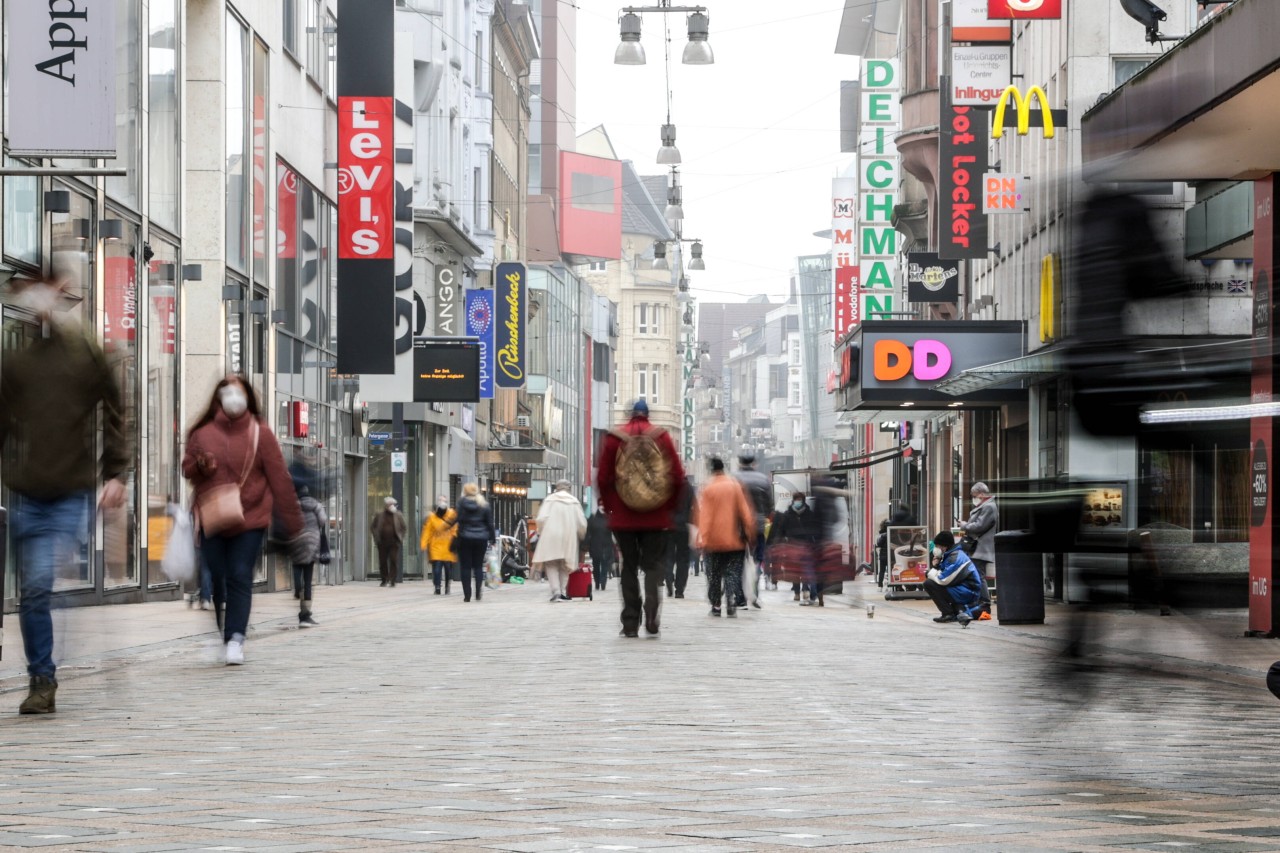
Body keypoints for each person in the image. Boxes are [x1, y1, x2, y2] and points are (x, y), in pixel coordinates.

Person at [0, 276, 129, 713]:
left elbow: (114, 409)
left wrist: (115, 473)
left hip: (72, 490)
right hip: (27, 492)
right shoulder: (17, 361)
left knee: (37, 582)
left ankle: (42, 679)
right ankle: (43, 675)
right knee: (33, 591)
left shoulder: (85, 353)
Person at [183, 374, 303, 666]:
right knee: (218, 574)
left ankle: (235, 638)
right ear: (219, 397)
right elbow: (187, 469)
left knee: (239, 574)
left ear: (248, 397)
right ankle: (225, 626)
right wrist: (201, 465)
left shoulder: (261, 433)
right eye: (228, 393)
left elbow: (279, 479)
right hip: (212, 516)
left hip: (250, 519)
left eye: (239, 393)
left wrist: (293, 522)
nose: (234, 398)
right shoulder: (202, 432)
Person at [596, 399, 685, 638]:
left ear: (629, 414)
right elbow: (677, 476)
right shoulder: (661, 436)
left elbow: (603, 478)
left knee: (628, 567)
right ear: (648, 414)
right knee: (654, 565)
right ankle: (652, 609)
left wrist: (609, 505)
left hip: (623, 517)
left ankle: (630, 621)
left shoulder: (615, 438)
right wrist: (670, 506)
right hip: (656, 517)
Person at [693, 457, 756, 618]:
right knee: (732, 573)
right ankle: (731, 600)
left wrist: (703, 539)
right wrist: (749, 532)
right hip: (735, 541)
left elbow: (705, 516)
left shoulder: (708, 488)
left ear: (711, 470)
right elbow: (745, 512)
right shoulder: (735, 485)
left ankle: (715, 605)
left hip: (713, 542)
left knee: (713, 575)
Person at [533, 479, 589, 601]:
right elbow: (581, 523)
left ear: (557, 488)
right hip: (568, 536)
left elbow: (541, 519)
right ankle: (563, 591)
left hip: (551, 535)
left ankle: (556, 592)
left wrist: (541, 531)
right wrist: (581, 534)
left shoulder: (549, 500)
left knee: (551, 563)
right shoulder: (574, 502)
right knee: (565, 564)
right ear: (569, 488)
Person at [768, 491, 824, 606]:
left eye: (799, 500)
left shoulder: (809, 514)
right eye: (796, 499)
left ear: (803, 501)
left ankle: (806, 591)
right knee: (795, 571)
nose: (798, 502)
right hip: (792, 546)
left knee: (806, 570)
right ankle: (797, 592)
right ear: (793, 501)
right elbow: (782, 530)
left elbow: (814, 529)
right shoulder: (787, 514)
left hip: (806, 545)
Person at [925, 531, 987, 627]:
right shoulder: (950, 555)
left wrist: (930, 572)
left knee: (929, 584)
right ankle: (950, 612)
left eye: (938, 546)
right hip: (961, 588)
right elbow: (944, 573)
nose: (936, 549)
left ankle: (948, 613)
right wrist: (937, 566)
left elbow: (944, 579)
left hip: (969, 592)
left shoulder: (956, 557)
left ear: (945, 546)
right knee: (931, 583)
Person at [735, 452, 772, 609]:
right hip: (757, 526)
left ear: (739, 462)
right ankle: (755, 593)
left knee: (737, 562)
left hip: (738, 527)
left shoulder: (734, 478)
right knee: (757, 560)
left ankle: (740, 598)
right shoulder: (763, 479)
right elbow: (770, 505)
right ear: (753, 463)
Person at [291, 483, 328, 627]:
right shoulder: (315, 505)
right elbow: (323, 520)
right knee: (308, 577)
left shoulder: (292, 505)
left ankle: (297, 588)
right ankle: (305, 613)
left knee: (296, 566)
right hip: (312, 542)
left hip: (296, 540)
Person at [454, 482, 495, 602]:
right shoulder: (484, 504)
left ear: (465, 492)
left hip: (465, 538)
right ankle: (478, 593)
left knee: (465, 567)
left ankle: (467, 595)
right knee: (478, 566)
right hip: (481, 539)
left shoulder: (461, 504)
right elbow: (489, 523)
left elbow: (458, 519)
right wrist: (492, 538)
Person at [959, 482, 999, 597]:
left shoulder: (988, 506)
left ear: (981, 494)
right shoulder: (985, 506)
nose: (973, 498)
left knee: (979, 576)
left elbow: (979, 526)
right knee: (976, 575)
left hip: (980, 548)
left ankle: (984, 603)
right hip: (977, 548)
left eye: (974, 496)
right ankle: (979, 602)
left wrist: (964, 525)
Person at [420, 495, 458, 594]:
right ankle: (437, 586)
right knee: (437, 568)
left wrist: (455, 538)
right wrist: (423, 543)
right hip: (437, 546)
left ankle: (446, 586)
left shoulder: (451, 514)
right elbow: (427, 531)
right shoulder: (432, 517)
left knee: (447, 569)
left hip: (447, 546)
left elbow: (455, 528)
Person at [666, 475, 696, 598]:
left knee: (668, 556)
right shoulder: (688, 488)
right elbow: (693, 508)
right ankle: (679, 589)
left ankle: (668, 578)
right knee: (683, 559)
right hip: (684, 528)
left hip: (668, 527)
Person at [370, 496, 407, 587]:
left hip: (394, 542)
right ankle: (384, 579)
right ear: (386, 505)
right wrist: (376, 536)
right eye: (389, 504)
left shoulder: (398, 515)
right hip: (382, 542)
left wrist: (401, 537)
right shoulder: (379, 515)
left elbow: (404, 527)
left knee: (393, 560)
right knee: (383, 561)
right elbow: (373, 526)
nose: (391, 506)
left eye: (393, 504)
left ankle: (393, 580)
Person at [586, 506, 615, 591]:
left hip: (605, 545)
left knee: (604, 565)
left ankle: (602, 582)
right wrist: (587, 544)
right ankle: (598, 582)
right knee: (596, 565)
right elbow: (588, 532)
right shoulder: (593, 518)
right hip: (596, 545)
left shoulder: (609, 518)